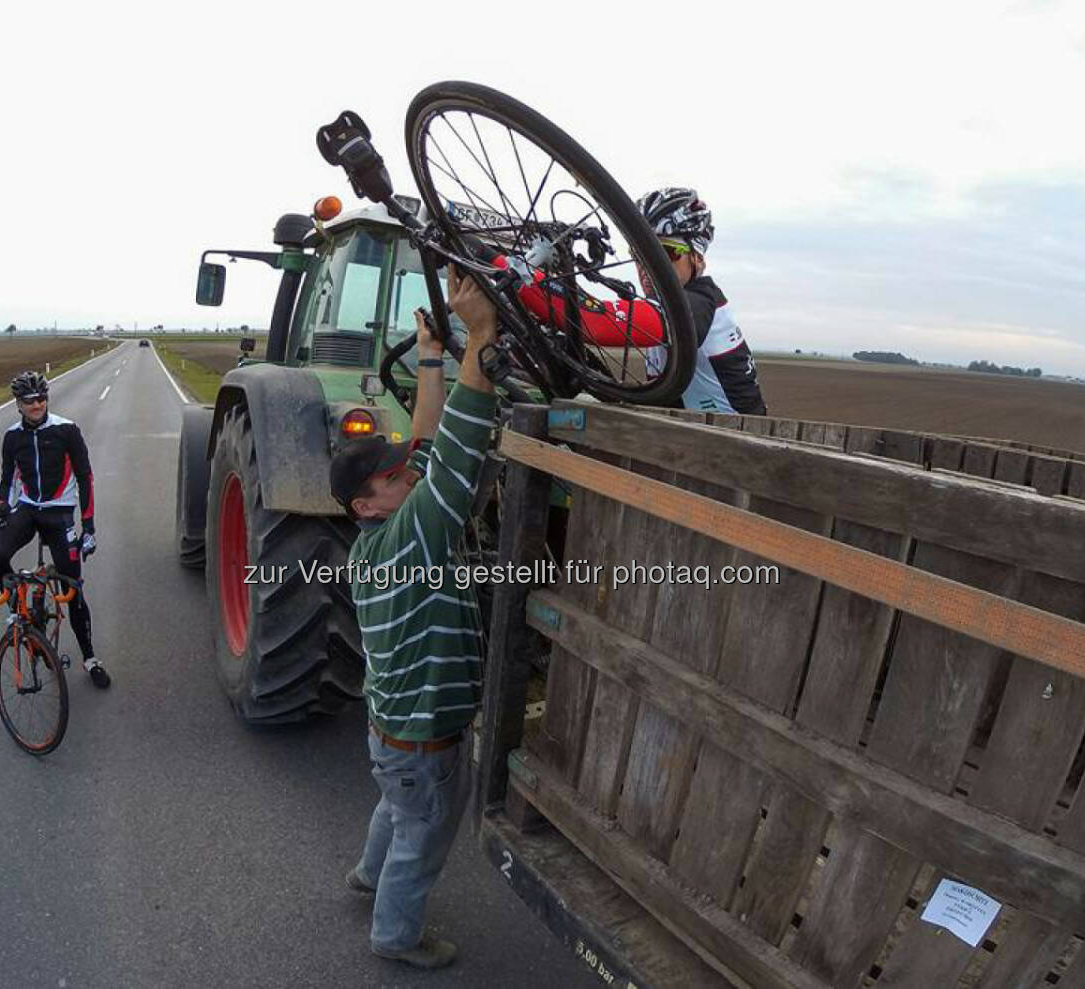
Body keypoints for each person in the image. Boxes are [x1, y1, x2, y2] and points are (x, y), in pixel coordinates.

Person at [329, 266, 500, 970]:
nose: (407, 475)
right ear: (366, 504)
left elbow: (425, 447)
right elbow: (456, 451)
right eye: (390, 478)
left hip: (389, 731)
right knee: (424, 833)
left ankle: (368, 876)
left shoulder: (382, 535)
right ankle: (396, 934)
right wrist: (479, 340)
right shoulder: (413, 535)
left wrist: (432, 355)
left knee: (396, 808)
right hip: (424, 741)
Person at [517, 186, 768, 415]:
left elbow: (595, 323)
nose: (647, 266)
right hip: (694, 439)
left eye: (666, 253)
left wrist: (515, 274)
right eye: (638, 254)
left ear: (697, 259)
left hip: (736, 449)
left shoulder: (700, 301)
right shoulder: (664, 306)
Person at [0, 370, 110, 688]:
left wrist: (89, 527)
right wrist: (4, 506)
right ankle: (18, 613)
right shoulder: (12, 437)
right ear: (18, 404)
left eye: (42, 397)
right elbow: (7, 476)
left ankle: (90, 657)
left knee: (73, 588)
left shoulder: (67, 430)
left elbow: (86, 478)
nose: (37, 404)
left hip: (60, 514)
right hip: (28, 509)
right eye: (29, 400)